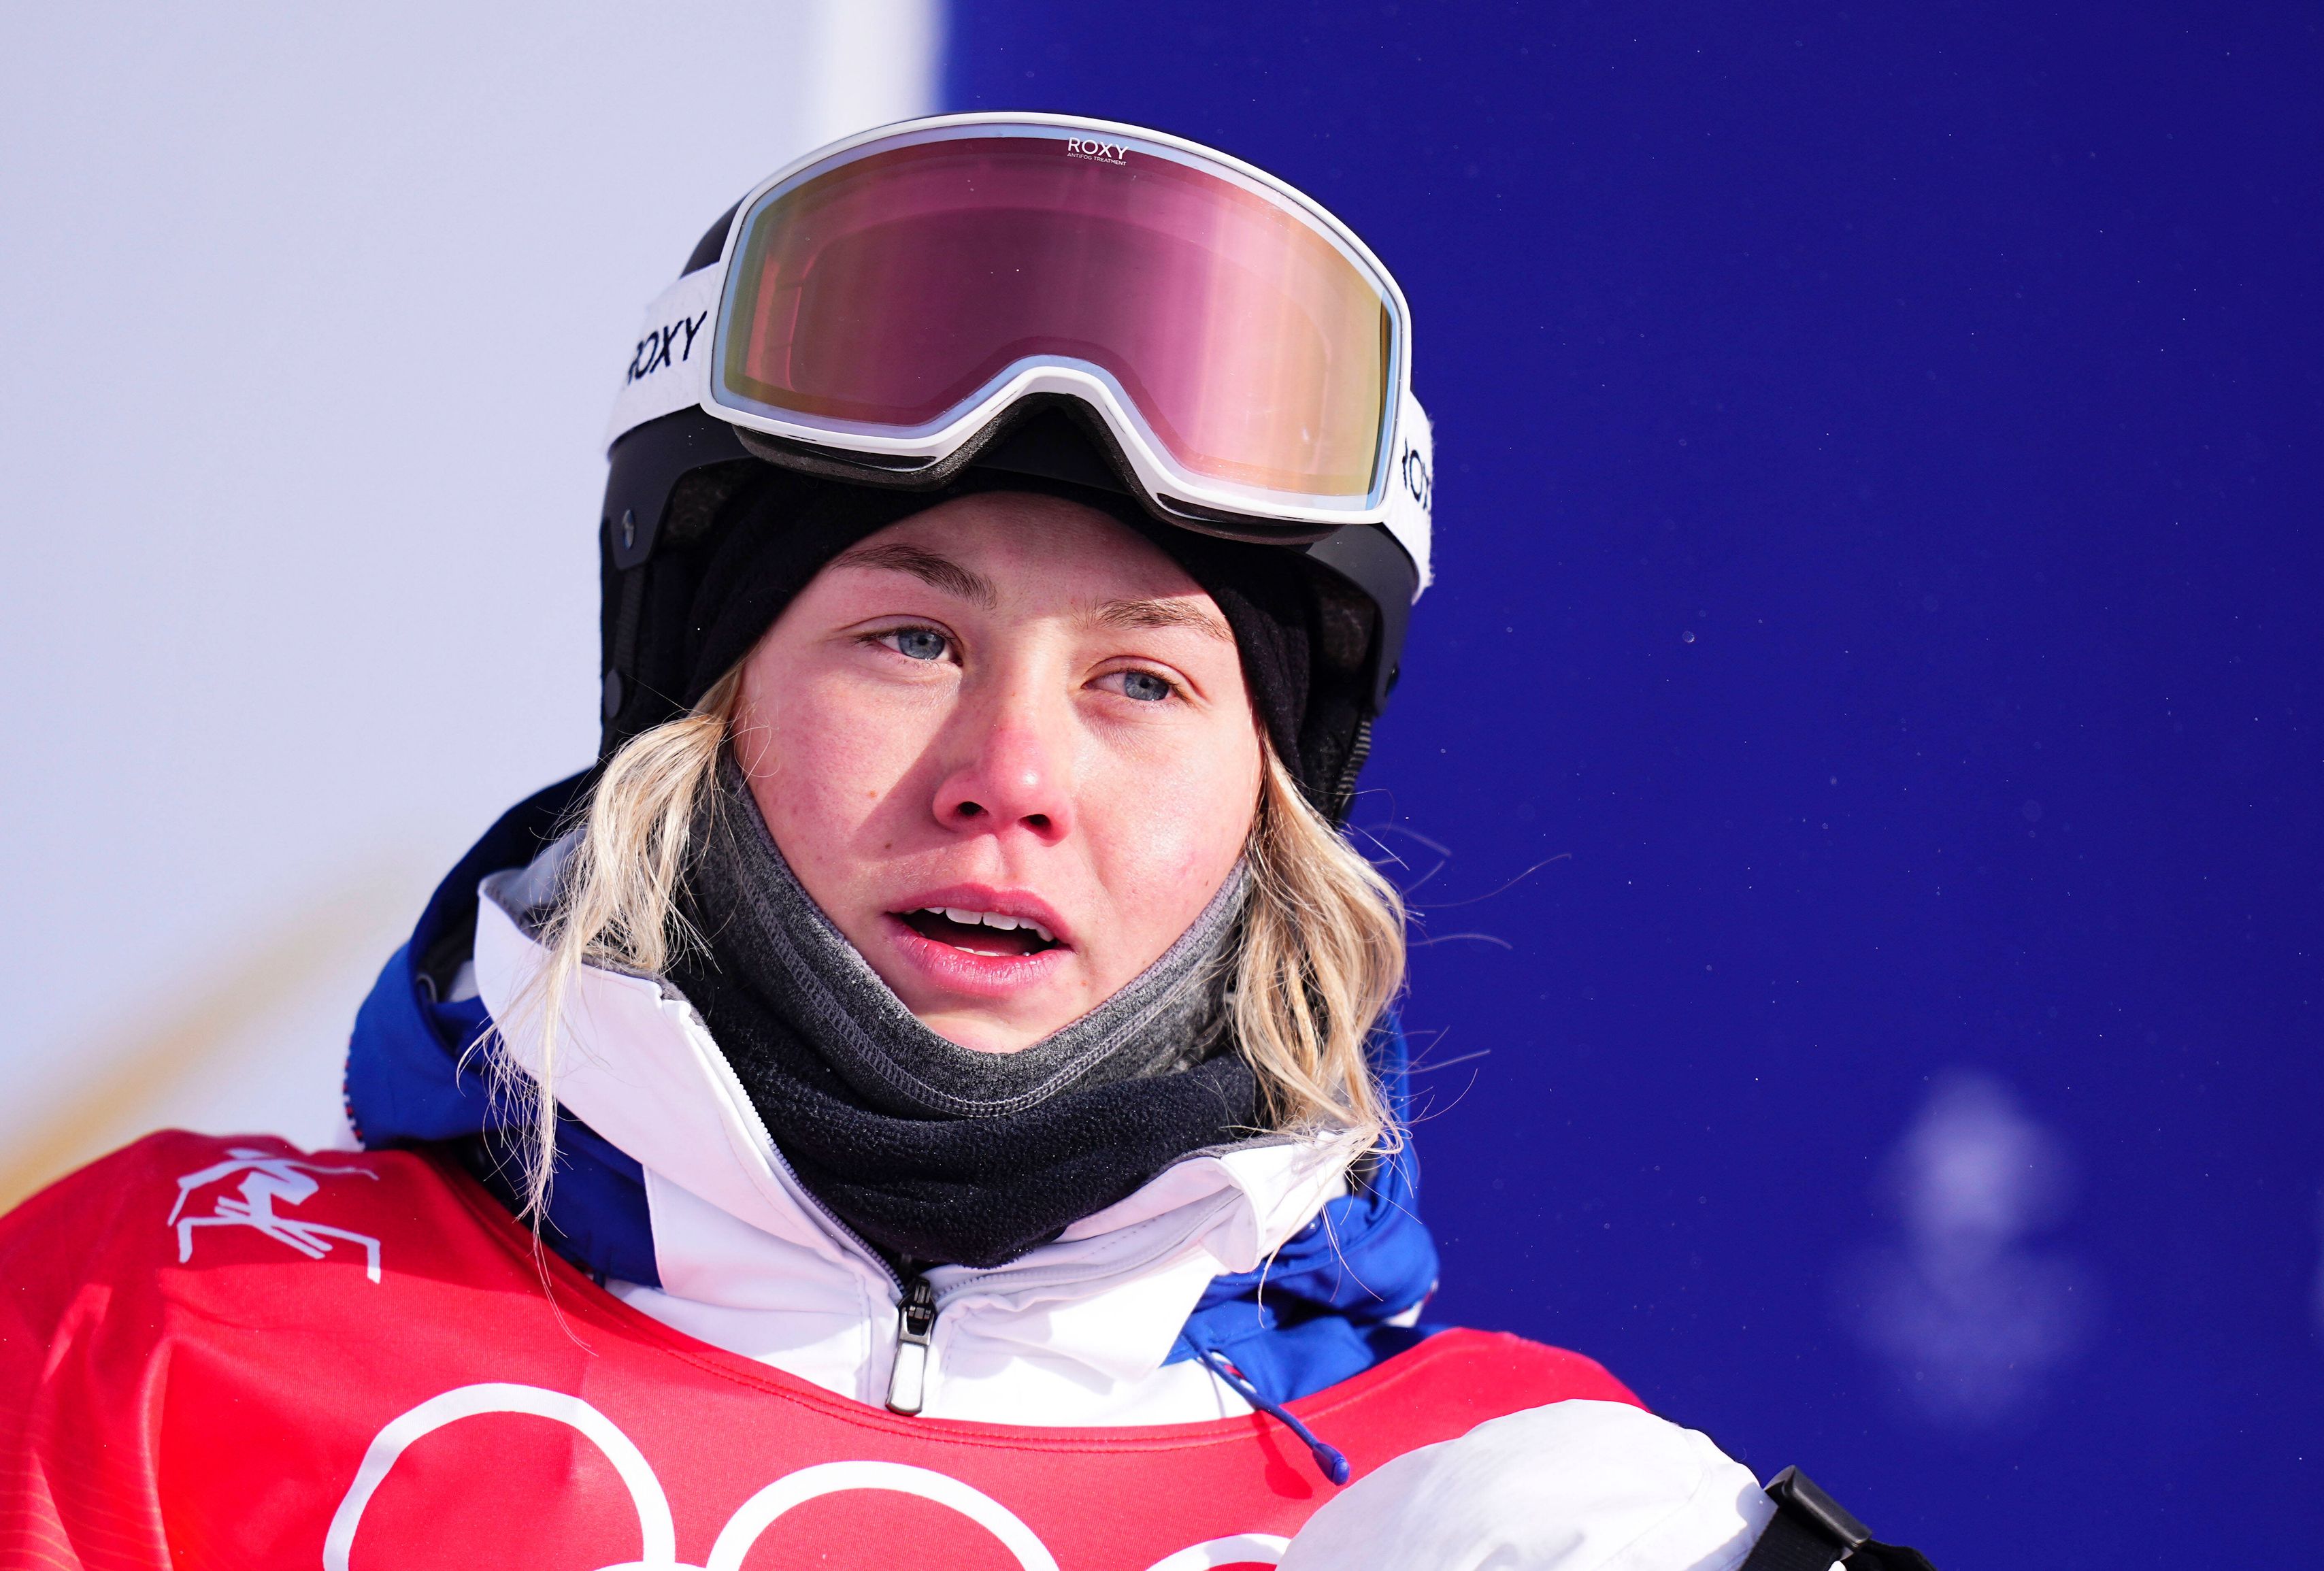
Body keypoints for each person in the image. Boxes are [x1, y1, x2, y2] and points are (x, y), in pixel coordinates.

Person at [0, 114, 1929, 1570]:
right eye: (907, 639)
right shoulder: (148, 1320)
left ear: (1273, 805)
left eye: (1144, 683)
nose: (1010, 773)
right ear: (706, 703)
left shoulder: (1507, 1509)